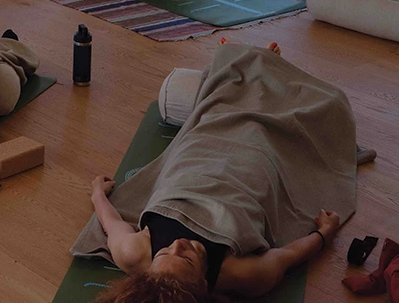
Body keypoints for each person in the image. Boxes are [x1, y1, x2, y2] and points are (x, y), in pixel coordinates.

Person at [88, 43, 343, 302]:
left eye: (163, 253)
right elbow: (289, 256)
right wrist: (324, 233)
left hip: (191, 166)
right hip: (241, 179)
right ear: (204, 284)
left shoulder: (132, 253)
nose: (177, 244)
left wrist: (98, 194)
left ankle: (247, 66)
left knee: (213, 116)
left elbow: (112, 224)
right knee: (262, 127)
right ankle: (262, 71)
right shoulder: (244, 276)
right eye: (186, 258)